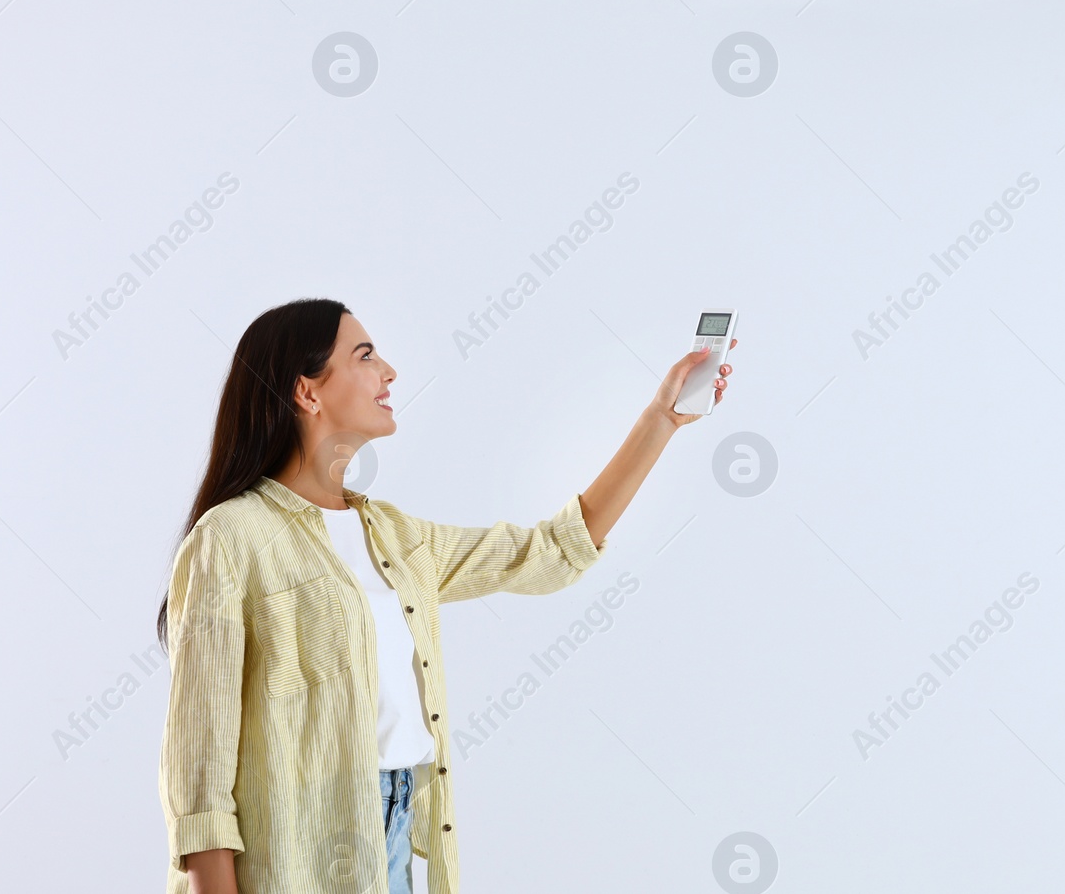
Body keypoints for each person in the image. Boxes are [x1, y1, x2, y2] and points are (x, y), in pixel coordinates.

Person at [156, 297, 735, 894]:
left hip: (400, 832)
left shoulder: (397, 537)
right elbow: (200, 771)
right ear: (308, 392)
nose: (389, 371)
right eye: (366, 355)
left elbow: (552, 551)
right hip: (295, 858)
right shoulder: (228, 539)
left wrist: (661, 419)